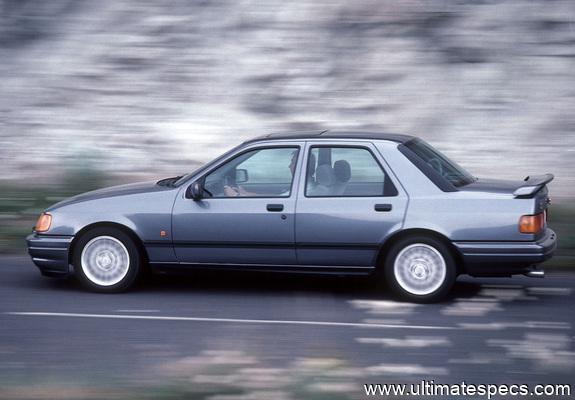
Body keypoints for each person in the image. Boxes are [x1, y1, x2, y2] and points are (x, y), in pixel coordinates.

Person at [223, 150, 298, 197]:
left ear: (300, 165)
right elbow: (277, 196)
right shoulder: (301, 185)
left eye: (292, 162)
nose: (289, 166)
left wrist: (236, 195)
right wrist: (246, 193)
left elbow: (278, 202)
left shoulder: (307, 187)